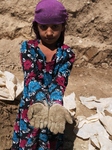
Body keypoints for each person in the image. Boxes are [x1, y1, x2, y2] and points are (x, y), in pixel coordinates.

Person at [11, 0, 75, 149]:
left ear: (63, 27)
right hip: (33, 106)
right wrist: (40, 101)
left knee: (49, 140)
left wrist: (56, 105)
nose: (49, 32)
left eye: (55, 27)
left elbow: (60, 82)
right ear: (36, 27)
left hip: (53, 110)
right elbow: (30, 78)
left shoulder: (67, 54)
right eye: (43, 27)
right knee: (28, 141)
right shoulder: (28, 48)